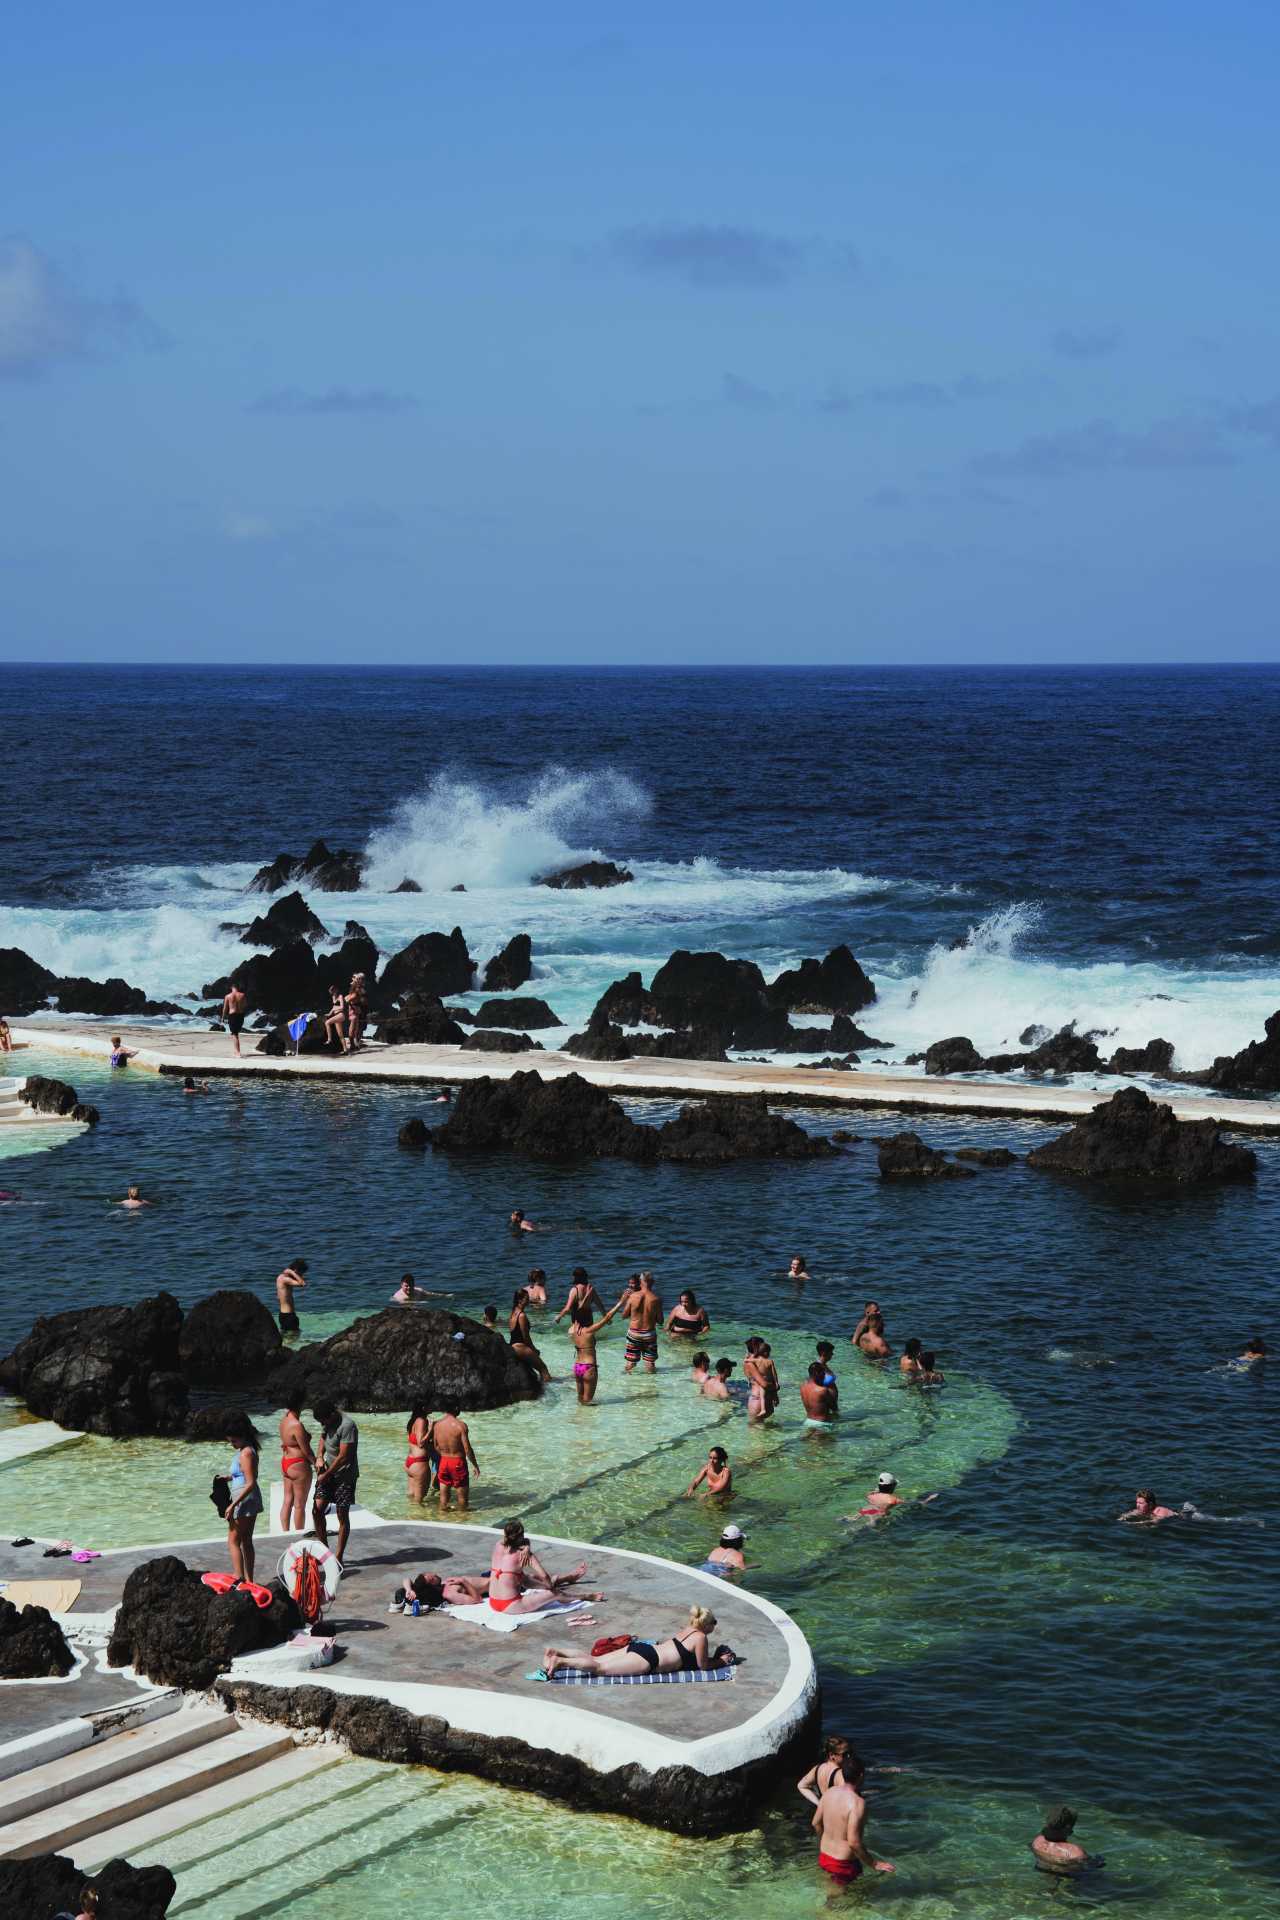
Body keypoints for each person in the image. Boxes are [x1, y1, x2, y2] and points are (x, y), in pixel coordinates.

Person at [542, 1604, 730, 1678]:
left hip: (643, 1648)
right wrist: (721, 1661)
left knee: (596, 1659)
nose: (715, 1626)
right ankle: (561, 1662)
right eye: (714, 1622)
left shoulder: (688, 1629)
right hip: (649, 1660)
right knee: (599, 1669)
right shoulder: (700, 1637)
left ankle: (557, 1651)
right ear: (706, 1625)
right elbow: (703, 1665)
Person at [811, 1749, 895, 1882]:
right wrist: (874, 1864)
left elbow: (815, 1823)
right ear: (861, 1776)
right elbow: (854, 1842)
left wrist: (826, 1841)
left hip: (824, 1856)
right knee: (838, 1899)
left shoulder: (829, 1793)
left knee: (838, 1896)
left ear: (843, 1773)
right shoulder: (858, 1803)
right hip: (842, 1864)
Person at [407, 1552, 593, 1611]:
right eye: (431, 1577)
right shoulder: (449, 1593)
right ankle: (568, 1577)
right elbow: (476, 1600)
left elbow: (405, 1579)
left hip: (489, 1576)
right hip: (495, 1586)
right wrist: (464, 1581)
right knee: (530, 1579)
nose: (433, 1573)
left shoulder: (443, 1586)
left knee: (529, 1576)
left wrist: (410, 1589)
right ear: (431, 1585)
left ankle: (565, 1578)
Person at [491, 1517, 603, 1612]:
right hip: (510, 1606)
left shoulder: (498, 1545)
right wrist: (550, 1587)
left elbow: (518, 1541)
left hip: (493, 1602)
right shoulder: (524, 1555)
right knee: (553, 1593)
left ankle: (568, 1578)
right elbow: (544, 1576)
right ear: (521, 1536)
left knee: (526, 1577)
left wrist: (527, 1545)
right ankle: (585, 1596)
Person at [312, 1401, 359, 1565]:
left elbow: (344, 1456)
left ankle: (338, 1556)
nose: (322, 1425)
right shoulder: (327, 1422)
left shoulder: (348, 1426)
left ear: (332, 1415)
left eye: (324, 1421)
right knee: (316, 1510)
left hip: (344, 1476)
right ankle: (324, 1551)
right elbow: (323, 1437)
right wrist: (319, 1457)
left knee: (342, 1515)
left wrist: (327, 1474)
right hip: (327, 1473)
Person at [224, 1413, 263, 1584]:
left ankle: (238, 1576)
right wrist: (229, 1478)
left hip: (244, 1498)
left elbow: (250, 1482)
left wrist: (233, 1505)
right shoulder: (247, 1449)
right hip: (249, 1498)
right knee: (246, 1540)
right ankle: (249, 1579)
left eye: (234, 1441)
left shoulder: (246, 1453)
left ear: (243, 1437)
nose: (231, 1444)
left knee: (233, 1540)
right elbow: (244, 1475)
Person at [568, 1299, 620, 1404]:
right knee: (588, 1401)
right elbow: (607, 1317)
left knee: (580, 1398)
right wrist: (621, 1302)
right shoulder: (589, 1331)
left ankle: (578, 1418)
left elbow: (577, 1313)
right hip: (588, 1367)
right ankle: (587, 1419)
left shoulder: (572, 1330)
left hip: (577, 1367)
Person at [432, 1406, 479, 1512]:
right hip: (457, 1462)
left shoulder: (437, 1425)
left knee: (443, 1497)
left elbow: (435, 1446)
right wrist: (475, 1465)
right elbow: (467, 1449)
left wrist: (444, 1455)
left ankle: (442, 1517)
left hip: (443, 1461)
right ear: (456, 1408)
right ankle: (461, 1518)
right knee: (462, 1497)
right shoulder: (461, 1426)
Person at [278, 1400, 314, 1532]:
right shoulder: (297, 1425)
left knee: (287, 1500)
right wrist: (316, 1463)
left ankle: (285, 1532)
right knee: (299, 1505)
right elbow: (306, 1450)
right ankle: (299, 1535)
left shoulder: (284, 1421)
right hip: (298, 1464)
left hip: (286, 1462)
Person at [619, 1270, 663, 1374]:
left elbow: (623, 1316)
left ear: (640, 1281)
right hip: (649, 1334)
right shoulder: (656, 1299)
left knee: (631, 1362)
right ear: (652, 1282)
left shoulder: (633, 1296)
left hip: (634, 1333)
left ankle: (626, 1381)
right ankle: (651, 1386)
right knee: (649, 1363)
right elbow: (660, 1321)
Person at [1031, 1805, 1092, 1875]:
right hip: (1066, 1876)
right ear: (1068, 1828)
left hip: (1041, 1869)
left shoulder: (1037, 1841)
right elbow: (1086, 1870)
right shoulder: (1075, 1852)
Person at [797, 1732, 853, 1807]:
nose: (849, 1756)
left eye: (850, 1752)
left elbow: (801, 1786)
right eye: (845, 1754)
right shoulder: (840, 1774)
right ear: (832, 1755)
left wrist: (819, 1804)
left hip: (825, 1814)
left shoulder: (817, 1768)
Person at [509, 1287, 551, 1384]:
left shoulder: (513, 1313)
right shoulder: (522, 1315)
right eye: (526, 1298)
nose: (529, 1300)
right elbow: (526, 1337)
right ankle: (548, 1393)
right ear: (520, 1300)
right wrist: (534, 1350)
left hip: (512, 1345)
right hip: (521, 1347)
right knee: (544, 1370)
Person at [405, 1403, 434, 1505]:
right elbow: (421, 1443)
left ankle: (408, 1518)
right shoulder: (421, 1421)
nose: (432, 1406)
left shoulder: (414, 1421)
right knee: (419, 1501)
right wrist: (430, 1430)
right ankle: (418, 1518)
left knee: (411, 1497)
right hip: (419, 1464)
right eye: (430, 1404)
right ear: (423, 1407)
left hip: (410, 1462)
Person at [276, 1258, 308, 1335]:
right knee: (295, 1336)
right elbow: (303, 1283)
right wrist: (292, 1272)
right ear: (296, 1270)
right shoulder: (285, 1279)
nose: (301, 1275)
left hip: (283, 1315)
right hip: (289, 1316)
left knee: (287, 1337)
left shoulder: (281, 1278)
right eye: (301, 1273)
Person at [801, 1360, 837, 1425]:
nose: (824, 1376)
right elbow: (834, 1407)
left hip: (808, 1421)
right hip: (822, 1423)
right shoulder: (822, 1390)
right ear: (817, 1373)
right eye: (823, 1373)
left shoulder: (802, 1387)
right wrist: (833, 1388)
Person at [343, 974, 368, 1052]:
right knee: (353, 1027)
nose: (360, 980)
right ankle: (352, 1044)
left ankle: (355, 1043)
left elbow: (360, 996)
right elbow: (348, 998)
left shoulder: (358, 988)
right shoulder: (355, 989)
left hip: (356, 1009)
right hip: (353, 1009)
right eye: (359, 978)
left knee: (356, 1027)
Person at [221, 985, 247, 1057]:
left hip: (232, 1016)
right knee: (236, 1033)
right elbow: (245, 1005)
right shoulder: (242, 995)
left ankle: (237, 1052)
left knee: (235, 1034)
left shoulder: (228, 996)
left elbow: (225, 1008)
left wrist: (222, 1018)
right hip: (240, 1015)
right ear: (238, 987)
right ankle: (237, 1051)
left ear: (231, 987)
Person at [323, 984, 347, 1051]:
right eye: (331, 992)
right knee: (340, 1035)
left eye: (333, 991)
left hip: (341, 1015)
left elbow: (342, 1007)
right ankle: (345, 1050)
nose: (332, 993)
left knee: (327, 1023)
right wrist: (329, 1014)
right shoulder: (333, 997)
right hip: (336, 1015)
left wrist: (335, 1009)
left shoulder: (340, 996)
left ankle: (329, 1039)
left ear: (336, 990)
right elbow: (333, 1007)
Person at [815, 1340, 839, 1408]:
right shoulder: (818, 1367)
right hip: (826, 1402)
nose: (832, 1354)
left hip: (831, 1401)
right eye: (831, 1352)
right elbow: (817, 1385)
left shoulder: (824, 1365)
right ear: (823, 1353)